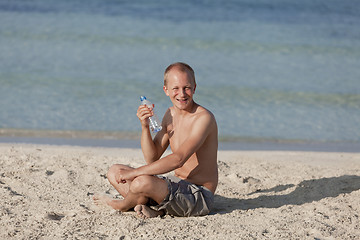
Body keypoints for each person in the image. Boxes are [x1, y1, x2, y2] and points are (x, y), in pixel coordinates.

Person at [94, 62, 218, 218]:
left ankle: (123, 204)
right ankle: (154, 207)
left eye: (186, 87)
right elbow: (152, 158)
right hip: (175, 186)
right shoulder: (170, 114)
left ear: (194, 88)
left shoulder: (204, 118)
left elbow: (178, 159)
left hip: (198, 196)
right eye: (175, 88)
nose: (182, 93)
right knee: (115, 171)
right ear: (166, 90)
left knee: (141, 181)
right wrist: (145, 127)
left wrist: (135, 173)